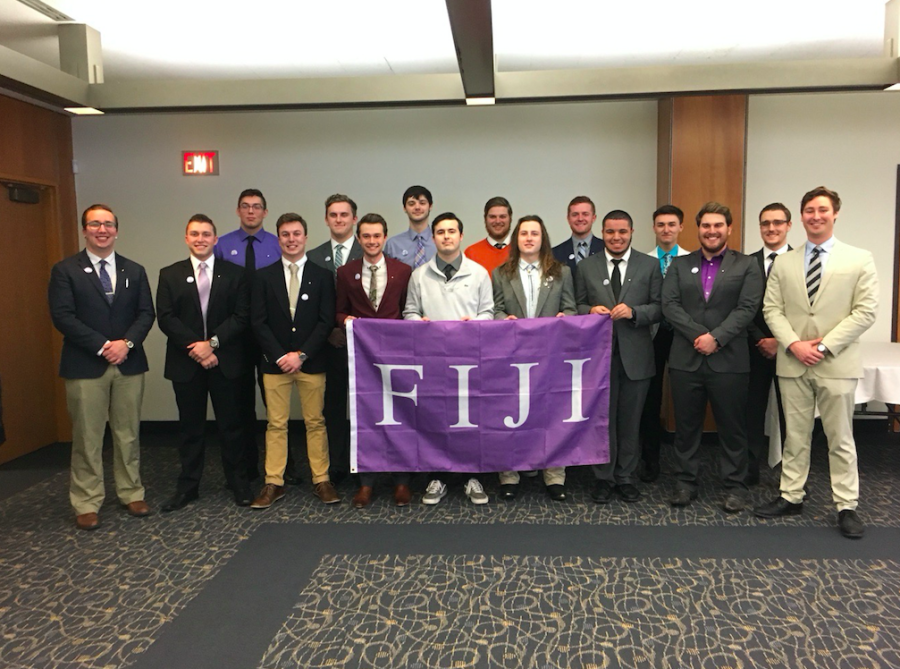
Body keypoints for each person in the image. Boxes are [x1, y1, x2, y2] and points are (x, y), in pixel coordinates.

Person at [755, 186, 878, 539]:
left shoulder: (859, 259)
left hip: (836, 363)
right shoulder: (784, 261)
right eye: (809, 210)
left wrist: (822, 346)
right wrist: (793, 344)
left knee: (840, 438)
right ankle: (791, 495)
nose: (815, 216)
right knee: (795, 436)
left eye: (822, 210)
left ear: (835, 213)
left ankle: (846, 505)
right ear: (802, 216)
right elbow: (772, 309)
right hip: (793, 362)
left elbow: (865, 312)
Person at [48, 204, 156, 530]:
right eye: (95, 224)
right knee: (87, 437)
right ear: (85, 230)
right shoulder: (65, 270)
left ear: (117, 230)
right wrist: (103, 345)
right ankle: (86, 500)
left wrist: (127, 344)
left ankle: (131, 491)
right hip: (85, 365)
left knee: (128, 433)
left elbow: (145, 313)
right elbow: (63, 316)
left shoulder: (133, 270)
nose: (102, 229)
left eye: (108, 224)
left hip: (129, 363)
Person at [662, 202, 763, 513]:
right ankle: (685, 482)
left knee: (732, 427)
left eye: (718, 225)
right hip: (686, 359)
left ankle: (736, 485)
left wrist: (716, 338)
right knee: (687, 426)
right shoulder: (680, 264)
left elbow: (747, 309)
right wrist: (699, 336)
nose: (712, 231)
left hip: (730, 360)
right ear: (698, 229)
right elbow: (670, 304)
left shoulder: (746, 265)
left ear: (729, 229)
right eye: (706, 225)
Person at [156, 214, 252, 512]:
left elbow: (241, 316)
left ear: (215, 239)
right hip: (186, 363)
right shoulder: (169, 274)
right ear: (186, 238)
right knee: (190, 428)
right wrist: (195, 347)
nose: (200, 239)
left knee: (231, 426)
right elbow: (166, 317)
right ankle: (188, 487)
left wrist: (211, 344)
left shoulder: (235, 274)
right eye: (194, 234)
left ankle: (238, 483)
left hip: (225, 361)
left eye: (206, 234)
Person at [404, 212, 494, 505]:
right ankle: (438, 477)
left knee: (469, 420)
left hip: (469, 361)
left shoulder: (479, 273)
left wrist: (475, 323)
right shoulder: (419, 275)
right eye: (440, 232)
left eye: (451, 231)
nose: (446, 236)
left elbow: (489, 312)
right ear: (433, 238)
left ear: (460, 236)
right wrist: (421, 324)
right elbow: (410, 312)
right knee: (436, 418)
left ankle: (472, 477)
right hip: (432, 361)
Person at [250, 213, 339, 507]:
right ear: (279, 240)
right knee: (276, 424)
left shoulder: (322, 275)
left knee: (316, 422)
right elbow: (258, 322)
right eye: (286, 235)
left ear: (305, 237)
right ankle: (274, 482)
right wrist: (280, 355)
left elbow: (326, 322)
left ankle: (321, 479)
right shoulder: (263, 276)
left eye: (296, 234)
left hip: (311, 362)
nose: (291, 239)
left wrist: (301, 355)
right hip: (273, 363)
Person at [576, 210, 662, 504]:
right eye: (610, 232)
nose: (616, 237)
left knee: (630, 421)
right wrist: (589, 311)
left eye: (622, 232)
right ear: (603, 232)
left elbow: (661, 307)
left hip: (636, 357)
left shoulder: (649, 265)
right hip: (597, 358)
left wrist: (635, 312)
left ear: (632, 231)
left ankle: (625, 477)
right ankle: (603, 478)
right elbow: (576, 303)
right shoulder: (587, 266)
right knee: (602, 421)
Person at [492, 215, 575, 501]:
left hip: (550, 356)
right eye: (524, 233)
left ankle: (554, 474)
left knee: (552, 413)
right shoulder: (501, 273)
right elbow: (495, 309)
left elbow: (571, 309)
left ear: (543, 239)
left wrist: (565, 318)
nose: (529, 238)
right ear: (516, 239)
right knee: (511, 414)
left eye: (534, 233)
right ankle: (509, 473)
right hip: (513, 357)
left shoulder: (561, 272)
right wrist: (506, 319)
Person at [335, 213, 413, 508]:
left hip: (398, 358)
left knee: (400, 418)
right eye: (365, 236)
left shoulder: (403, 271)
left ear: (385, 237)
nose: (371, 241)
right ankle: (365, 483)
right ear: (358, 238)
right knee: (365, 419)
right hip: (362, 360)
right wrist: (348, 319)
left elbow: (409, 310)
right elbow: (338, 312)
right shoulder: (345, 272)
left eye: (377, 236)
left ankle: (402, 482)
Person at [214, 189, 284, 484]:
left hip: (270, 333)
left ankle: (283, 465)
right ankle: (247, 467)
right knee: (240, 404)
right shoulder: (223, 245)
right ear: (238, 211)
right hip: (236, 336)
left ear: (265, 212)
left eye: (257, 207)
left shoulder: (278, 243)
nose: (251, 212)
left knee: (275, 405)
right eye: (245, 207)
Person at [307, 194, 364, 482]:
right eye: (333, 215)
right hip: (328, 343)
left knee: (364, 404)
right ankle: (338, 464)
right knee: (334, 405)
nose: (339, 219)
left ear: (354, 219)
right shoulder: (314, 256)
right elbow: (311, 302)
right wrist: (329, 330)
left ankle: (363, 462)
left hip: (364, 346)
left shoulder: (368, 250)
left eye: (344, 215)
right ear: (326, 219)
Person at [639, 204, 690, 483]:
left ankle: (685, 462)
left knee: (685, 398)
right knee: (651, 398)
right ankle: (650, 459)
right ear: (654, 228)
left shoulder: (692, 260)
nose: (666, 229)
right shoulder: (645, 262)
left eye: (672, 224)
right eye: (661, 224)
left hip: (683, 336)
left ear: (681, 227)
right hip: (653, 335)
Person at [745, 203, 792, 486]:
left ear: (788, 225)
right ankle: (750, 470)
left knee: (792, 416)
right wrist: (759, 339)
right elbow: (741, 307)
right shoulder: (746, 263)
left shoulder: (801, 262)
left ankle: (793, 475)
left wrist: (780, 341)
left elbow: (805, 311)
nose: (771, 228)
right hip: (753, 348)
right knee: (751, 412)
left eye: (777, 223)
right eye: (765, 223)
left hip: (791, 350)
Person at [384, 185, 436, 268]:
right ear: (404, 208)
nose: (417, 207)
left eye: (422, 203)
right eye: (411, 204)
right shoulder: (393, 245)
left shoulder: (440, 241)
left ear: (430, 206)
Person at [552, 196, 604, 275]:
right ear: (568, 219)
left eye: (585, 214)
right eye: (575, 214)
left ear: (593, 218)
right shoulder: (555, 254)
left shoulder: (605, 249)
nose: (580, 218)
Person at [464, 196, 513, 275]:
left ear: (510, 218)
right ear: (485, 219)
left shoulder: (521, 250)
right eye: (492, 217)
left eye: (502, 217)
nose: (497, 221)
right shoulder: (471, 253)